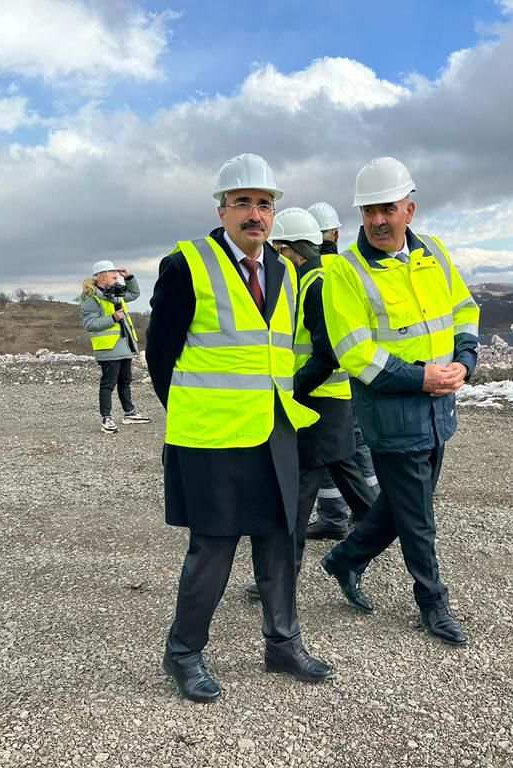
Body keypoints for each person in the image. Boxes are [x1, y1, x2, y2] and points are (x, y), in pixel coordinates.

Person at [145, 153, 333, 703]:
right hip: (211, 435)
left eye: (264, 204)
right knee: (214, 548)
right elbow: (160, 355)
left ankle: (283, 644)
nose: (255, 214)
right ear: (222, 210)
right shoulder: (186, 265)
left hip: (273, 428)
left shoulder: (284, 271)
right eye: (243, 203)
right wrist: (192, 409)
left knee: (280, 539)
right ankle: (183, 652)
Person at [318, 157, 480, 646]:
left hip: (437, 410)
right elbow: (354, 353)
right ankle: (432, 601)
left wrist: (464, 360)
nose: (377, 220)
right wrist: (420, 378)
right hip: (391, 416)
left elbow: (463, 309)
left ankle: (344, 560)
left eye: (387, 208)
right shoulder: (345, 271)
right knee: (419, 518)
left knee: (404, 504)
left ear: (409, 209)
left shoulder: (432, 252)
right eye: (368, 211)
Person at [243, 207, 377, 601]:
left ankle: (281, 581)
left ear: (291, 249)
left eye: (277, 249)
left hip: (318, 405)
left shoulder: (316, 285)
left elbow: (327, 354)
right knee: (358, 493)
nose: (274, 256)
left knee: (298, 498)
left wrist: (294, 390)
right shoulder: (308, 280)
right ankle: (369, 545)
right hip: (328, 405)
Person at [305, 200, 380, 541]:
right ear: (335, 234)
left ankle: (335, 516)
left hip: (324, 383)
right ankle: (374, 511)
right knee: (357, 447)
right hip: (357, 375)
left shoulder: (306, 274)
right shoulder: (351, 267)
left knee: (330, 453)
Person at [80, 261, 152, 433]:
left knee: (125, 381)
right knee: (108, 384)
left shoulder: (116, 293)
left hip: (124, 346)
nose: (117, 279)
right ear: (102, 278)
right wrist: (113, 318)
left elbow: (134, 294)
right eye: (114, 277)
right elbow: (90, 324)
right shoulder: (91, 298)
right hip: (108, 349)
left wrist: (129, 277)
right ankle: (106, 418)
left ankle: (129, 413)